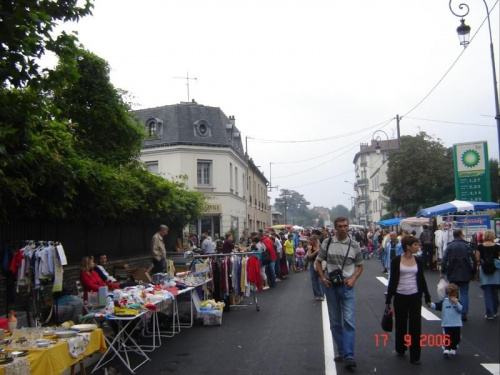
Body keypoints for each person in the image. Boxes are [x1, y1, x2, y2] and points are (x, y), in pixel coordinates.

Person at [315, 217, 364, 370]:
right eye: (340, 226)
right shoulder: (327, 243)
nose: (343, 228)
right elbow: (318, 261)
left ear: (348, 227)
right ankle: (342, 350)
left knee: (349, 321)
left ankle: (349, 355)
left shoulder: (354, 244)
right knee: (335, 322)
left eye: (345, 226)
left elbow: (360, 265)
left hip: (347, 286)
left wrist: (354, 278)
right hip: (330, 286)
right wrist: (322, 278)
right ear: (335, 228)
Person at [386, 235, 431, 365]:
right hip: (400, 296)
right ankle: (400, 348)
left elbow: (421, 279)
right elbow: (392, 280)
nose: (418, 247)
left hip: (415, 296)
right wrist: (388, 298)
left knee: (415, 326)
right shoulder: (396, 261)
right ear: (408, 247)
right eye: (416, 245)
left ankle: (415, 356)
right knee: (400, 324)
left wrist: (427, 296)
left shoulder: (419, 261)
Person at [440, 229, 475, 321]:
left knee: (454, 292)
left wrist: (443, 271)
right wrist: (473, 272)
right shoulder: (467, 246)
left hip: (452, 273)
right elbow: (473, 260)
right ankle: (464, 312)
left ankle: (456, 310)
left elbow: (444, 260)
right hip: (465, 273)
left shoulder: (450, 246)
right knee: (464, 293)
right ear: (460, 235)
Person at [429, 283, 463, 358]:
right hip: (447, 324)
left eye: (454, 295)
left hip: (457, 324)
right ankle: (447, 349)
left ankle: (454, 348)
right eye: (451, 295)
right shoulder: (444, 302)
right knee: (447, 337)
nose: (452, 297)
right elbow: (437, 306)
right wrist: (430, 304)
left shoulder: (458, 302)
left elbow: (460, 309)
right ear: (447, 294)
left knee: (456, 338)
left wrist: (456, 302)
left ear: (456, 294)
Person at [475, 229, 500, 319]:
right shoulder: (497, 247)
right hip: (495, 271)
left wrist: (478, 264)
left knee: (487, 292)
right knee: (495, 292)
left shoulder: (480, 247)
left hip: (484, 271)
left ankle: (489, 313)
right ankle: (495, 311)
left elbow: (477, 258)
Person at [307, 234, 324, 301]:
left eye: (311, 240)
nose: (309, 241)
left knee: (321, 279)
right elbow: (309, 256)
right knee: (314, 279)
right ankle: (317, 294)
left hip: (320, 263)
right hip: (312, 263)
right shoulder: (310, 247)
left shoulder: (320, 246)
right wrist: (316, 251)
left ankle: (322, 294)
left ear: (315, 240)